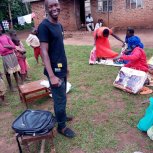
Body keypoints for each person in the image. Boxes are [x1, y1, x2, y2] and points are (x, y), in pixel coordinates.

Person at [38, 0, 76, 138]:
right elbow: (44, 51)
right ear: (46, 9)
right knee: (59, 100)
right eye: (51, 6)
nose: (54, 8)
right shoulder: (44, 26)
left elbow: (59, 48)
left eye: (56, 5)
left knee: (62, 97)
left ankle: (62, 117)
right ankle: (61, 126)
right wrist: (52, 75)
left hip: (61, 68)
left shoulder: (59, 25)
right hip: (54, 72)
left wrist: (66, 67)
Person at [0, 25, 20, 91]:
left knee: (15, 70)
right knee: (8, 72)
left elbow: (13, 46)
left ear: (1, 28)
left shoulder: (6, 36)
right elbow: (2, 50)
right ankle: (11, 87)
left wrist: (6, 46)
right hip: (5, 56)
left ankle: (18, 84)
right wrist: (10, 47)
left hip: (12, 55)